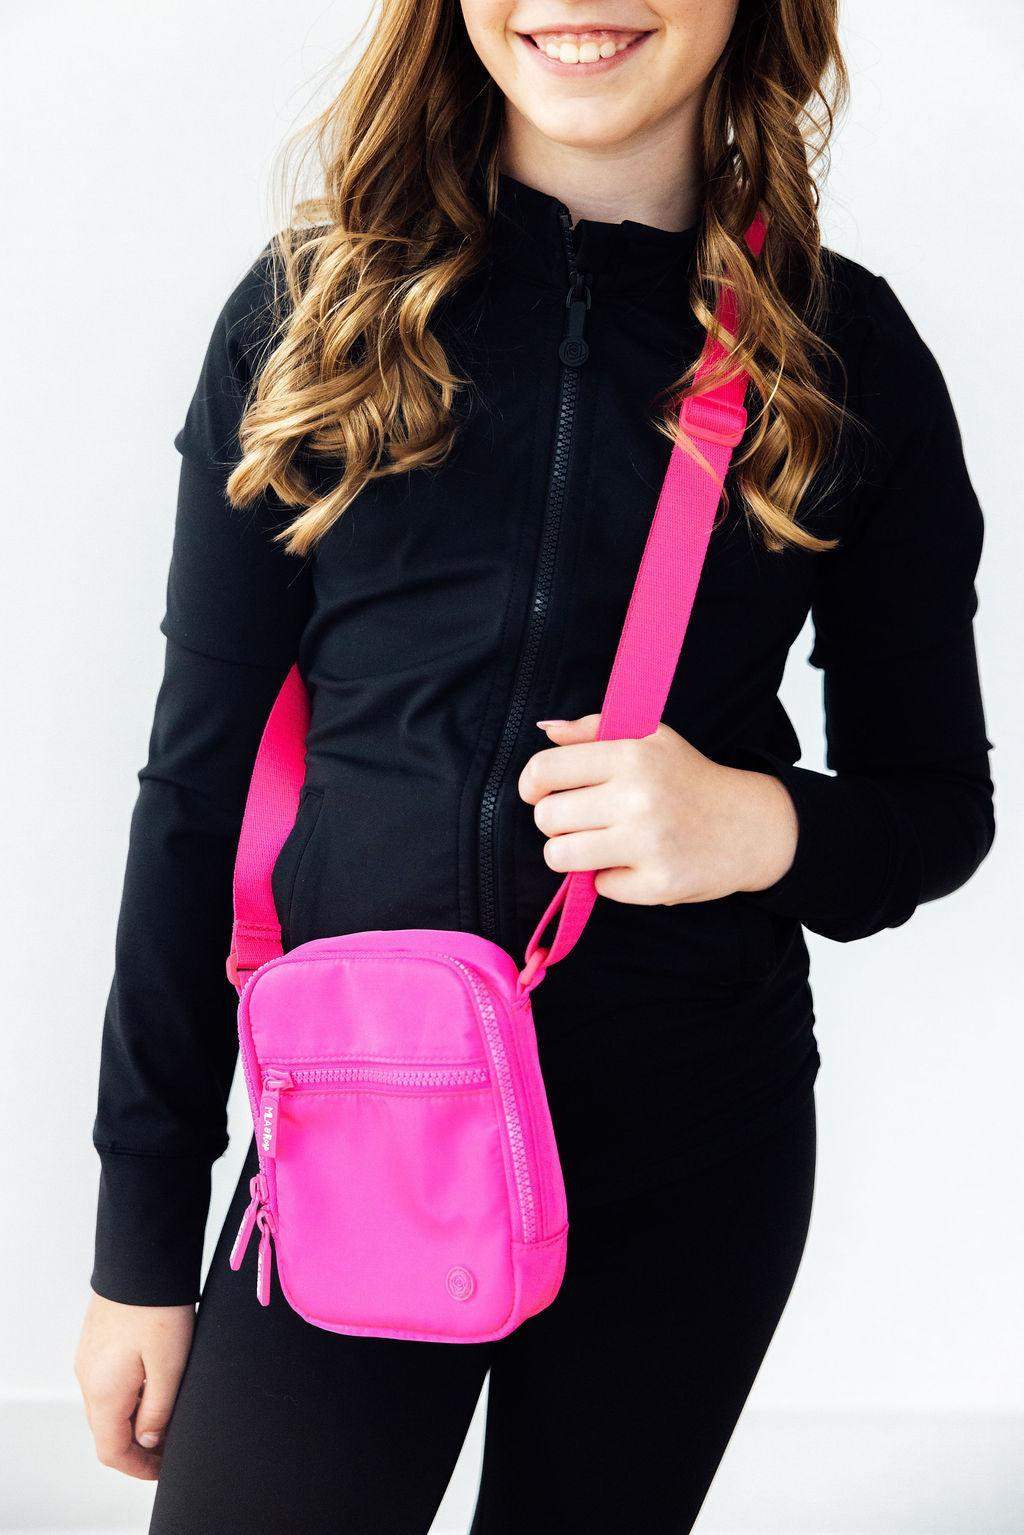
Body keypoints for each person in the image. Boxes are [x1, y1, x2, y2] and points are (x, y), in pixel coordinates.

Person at [74, 2, 994, 1531]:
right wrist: (141, 1243)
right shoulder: (308, 317)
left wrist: (754, 826)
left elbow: (937, 811)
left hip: (693, 1156)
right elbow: (193, 797)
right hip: (356, 1138)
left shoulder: (850, 355)